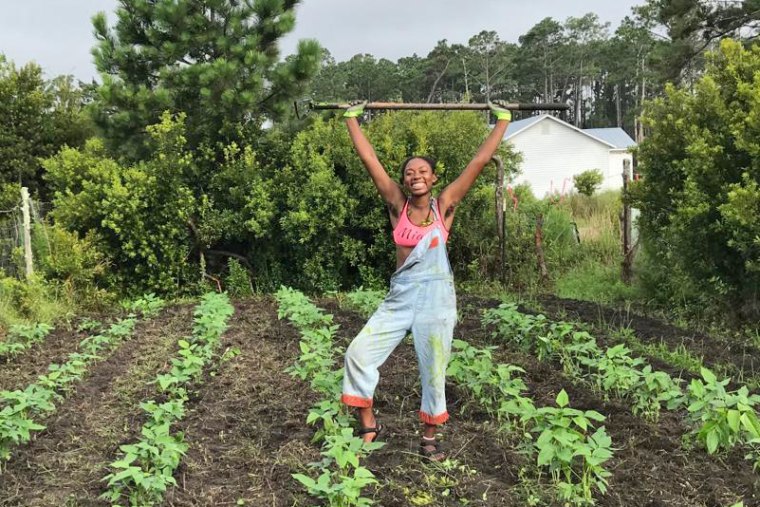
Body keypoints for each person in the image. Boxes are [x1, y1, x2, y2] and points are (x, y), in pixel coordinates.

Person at [340, 101, 511, 461]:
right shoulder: (396, 205)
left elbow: (478, 163)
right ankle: (369, 425)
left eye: (423, 171)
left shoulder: (444, 205)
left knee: (433, 370)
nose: (415, 175)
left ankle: (429, 438)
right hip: (401, 297)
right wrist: (351, 119)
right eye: (409, 173)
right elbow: (370, 161)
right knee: (358, 353)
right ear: (403, 181)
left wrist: (502, 120)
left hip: (436, 301)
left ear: (433, 179)